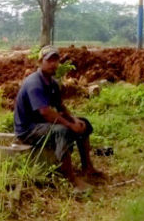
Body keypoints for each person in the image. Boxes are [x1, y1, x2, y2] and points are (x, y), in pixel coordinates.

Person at [14, 45, 102, 190]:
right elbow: (45, 112)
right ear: (40, 62)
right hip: (28, 129)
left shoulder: (52, 83)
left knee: (83, 123)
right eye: (49, 60)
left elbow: (59, 106)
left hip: (41, 124)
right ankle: (71, 179)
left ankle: (88, 167)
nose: (53, 64)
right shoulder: (34, 83)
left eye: (56, 60)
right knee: (61, 131)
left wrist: (73, 120)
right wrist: (69, 125)